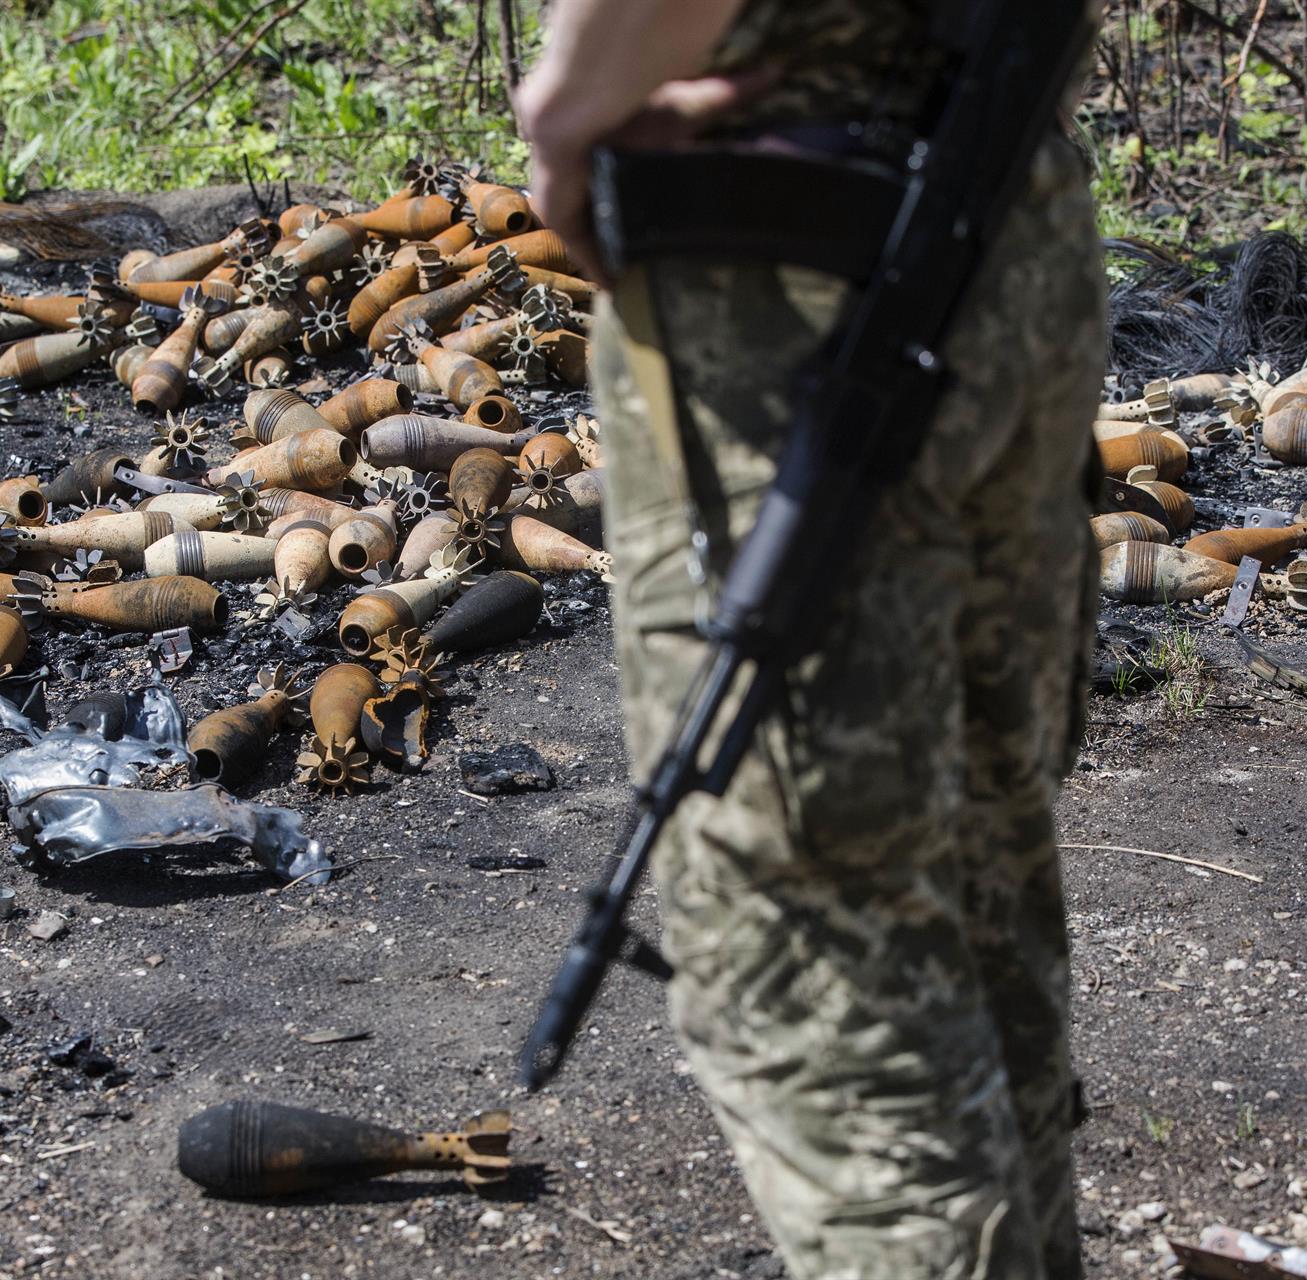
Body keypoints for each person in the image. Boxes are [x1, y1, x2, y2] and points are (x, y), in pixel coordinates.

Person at [515, 3, 1106, 1277]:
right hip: (1016, 201)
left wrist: (571, 108)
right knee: (977, 889)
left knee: (823, 973)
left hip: (790, 242)